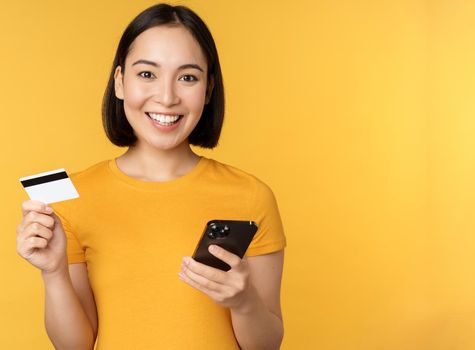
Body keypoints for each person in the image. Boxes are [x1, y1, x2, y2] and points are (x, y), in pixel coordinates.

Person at [15, 4, 286, 349]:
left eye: (188, 77)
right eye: (147, 74)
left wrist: (243, 301)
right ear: (119, 83)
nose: (167, 97)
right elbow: (75, 346)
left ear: (208, 90)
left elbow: (267, 345)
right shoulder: (73, 197)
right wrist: (52, 273)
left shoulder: (251, 195)